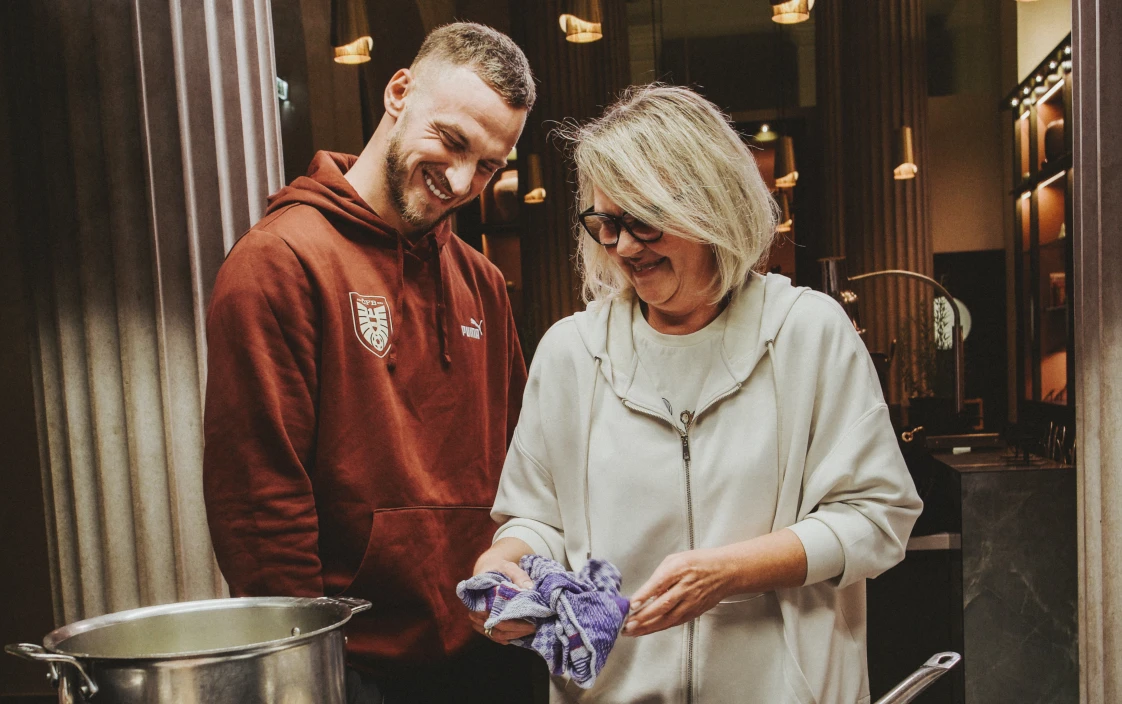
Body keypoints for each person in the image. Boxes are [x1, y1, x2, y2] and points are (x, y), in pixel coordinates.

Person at [470, 84, 924, 702]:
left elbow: (877, 518)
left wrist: (727, 571)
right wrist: (507, 563)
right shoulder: (570, 352)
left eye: (645, 221)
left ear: (715, 208)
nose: (625, 246)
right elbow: (539, 519)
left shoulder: (807, 333)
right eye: (607, 223)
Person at [203, 23, 539, 703]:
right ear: (398, 93)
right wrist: (308, 669)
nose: (460, 179)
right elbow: (261, 504)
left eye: (488, 165)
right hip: (356, 666)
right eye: (450, 141)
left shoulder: (481, 283)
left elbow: (523, 466)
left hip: (486, 647)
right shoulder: (277, 263)